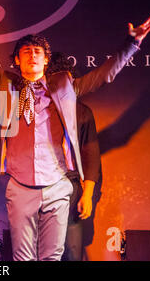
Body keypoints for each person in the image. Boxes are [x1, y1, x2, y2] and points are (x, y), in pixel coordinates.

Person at [0, 14, 150, 261]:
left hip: (57, 185)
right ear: (17, 60)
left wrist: (132, 44)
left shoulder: (65, 86)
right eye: (26, 52)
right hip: (20, 187)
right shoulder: (5, 89)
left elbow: (103, 75)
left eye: (37, 52)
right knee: (22, 258)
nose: (32, 55)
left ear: (45, 61)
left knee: (52, 256)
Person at [47, 52, 102, 261]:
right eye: (59, 81)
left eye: (69, 81)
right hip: (42, 185)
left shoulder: (82, 112)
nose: (65, 87)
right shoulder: (37, 110)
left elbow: (91, 156)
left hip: (71, 185)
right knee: (44, 250)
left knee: (73, 251)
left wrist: (87, 194)